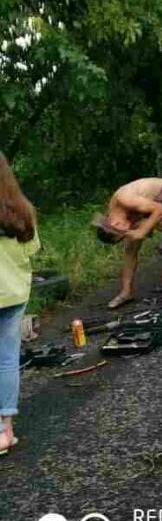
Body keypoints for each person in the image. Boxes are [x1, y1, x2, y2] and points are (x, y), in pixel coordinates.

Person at [0, 153, 39, 456]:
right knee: (7, 360)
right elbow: (30, 252)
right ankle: (5, 432)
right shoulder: (23, 211)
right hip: (13, 294)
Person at [93, 178, 162, 309]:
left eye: (123, 231)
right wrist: (134, 231)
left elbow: (161, 209)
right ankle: (126, 292)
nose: (126, 231)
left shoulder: (125, 199)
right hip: (146, 208)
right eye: (123, 234)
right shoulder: (114, 218)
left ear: (115, 224)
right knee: (130, 249)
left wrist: (143, 230)